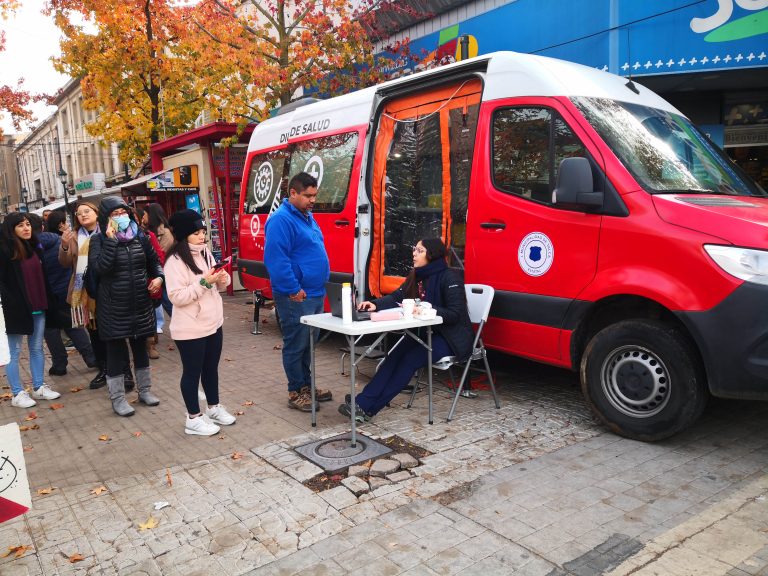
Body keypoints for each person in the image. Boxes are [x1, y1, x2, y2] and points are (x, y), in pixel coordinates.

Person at [338, 237, 473, 421]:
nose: (414, 254)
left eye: (420, 251)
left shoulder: (450, 277)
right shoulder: (416, 275)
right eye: (414, 249)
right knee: (394, 356)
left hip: (451, 338)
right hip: (426, 332)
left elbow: (455, 314)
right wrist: (375, 304)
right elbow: (397, 296)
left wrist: (426, 309)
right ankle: (364, 402)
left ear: (432, 254)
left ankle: (367, 407)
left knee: (410, 359)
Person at [264, 172, 333, 412]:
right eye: (307, 195)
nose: (312, 200)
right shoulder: (281, 220)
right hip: (296, 295)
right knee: (296, 344)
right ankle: (295, 392)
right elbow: (277, 260)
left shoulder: (307, 216)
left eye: (314, 195)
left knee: (307, 344)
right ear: (292, 193)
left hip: (314, 292)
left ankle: (306, 386)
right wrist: (293, 289)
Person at [88, 197, 164, 416]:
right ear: (106, 218)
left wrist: (159, 278)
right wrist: (111, 241)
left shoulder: (140, 237)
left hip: (140, 303)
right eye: (115, 214)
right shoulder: (98, 241)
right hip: (113, 307)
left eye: (123, 212)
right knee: (115, 353)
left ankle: (145, 391)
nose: (121, 217)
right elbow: (100, 268)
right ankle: (118, 398)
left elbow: (154, 262)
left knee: (140, 347)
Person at [165, 209, 235, 435]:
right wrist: (205, 282)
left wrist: (222, 278)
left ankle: (213, 407)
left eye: (203, 232)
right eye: (196, 233)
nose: (202, 236)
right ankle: (193, 418)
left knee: (211, 368)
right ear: (184, 235)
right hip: (190, 328)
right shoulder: (174, 261)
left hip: (213, 323)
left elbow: (218, 286)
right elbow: (177, 297)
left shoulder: (205, 253)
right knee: (192, 372)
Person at [0, 212, 61, 408]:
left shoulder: (34, 247)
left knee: (36, 347)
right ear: (11, 230)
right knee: (14, 351)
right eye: (20, 225)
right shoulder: (5, 251)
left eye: (27, 224)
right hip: (15, 309)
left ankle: (38, 387)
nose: (26, 228)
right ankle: (17, 393)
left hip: (38, 305)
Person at [37, 211, 97, 375]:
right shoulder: (61, 242)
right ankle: (91, 357)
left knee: (51, 329)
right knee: (73, 326)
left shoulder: (32, 248)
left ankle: (59, 364)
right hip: (66, 290)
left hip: (46, 294)